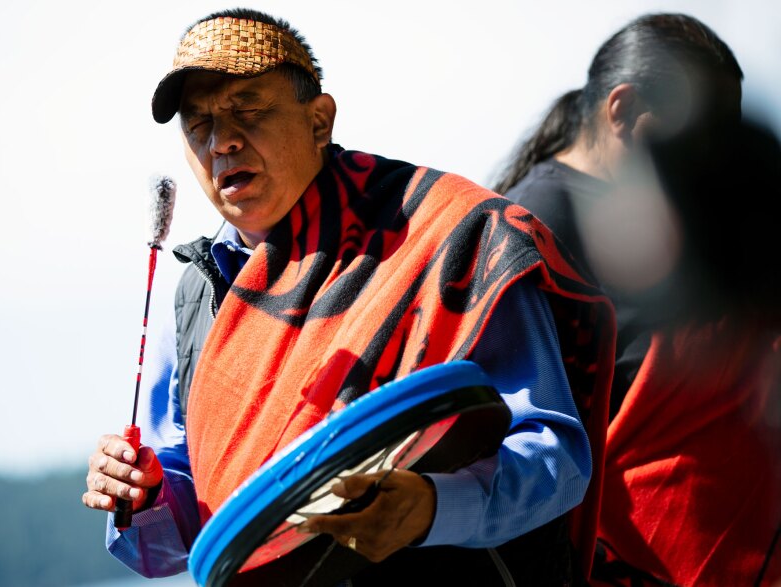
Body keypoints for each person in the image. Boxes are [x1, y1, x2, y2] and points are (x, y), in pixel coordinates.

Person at [82, 9, 614, 584]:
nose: (222, 141)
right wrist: (146, 491)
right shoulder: (199, 291)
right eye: (197, 123)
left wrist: (431, 508)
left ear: (319, 121)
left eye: (248, 108)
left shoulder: (444, 238)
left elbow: (555, 456)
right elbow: (187, 537)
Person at [496, 13, 781, 585]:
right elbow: (533, 432)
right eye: (703, 137)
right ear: (623, 111)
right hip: (637, 561)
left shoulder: (676, 218)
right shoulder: (536, 227)